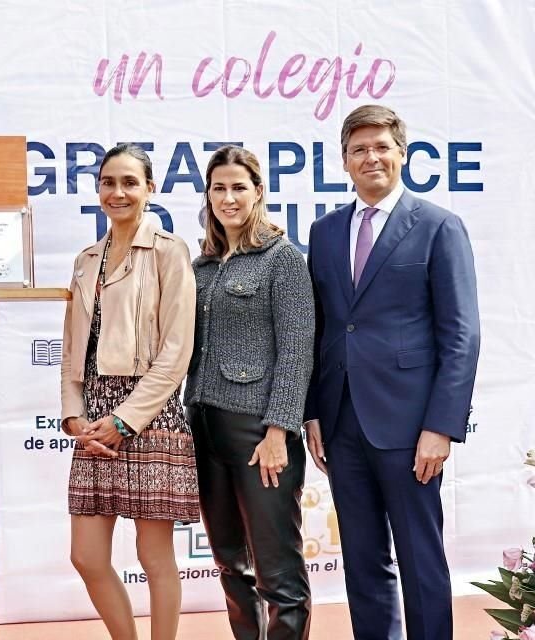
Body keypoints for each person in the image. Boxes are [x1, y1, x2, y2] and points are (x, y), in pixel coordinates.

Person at [304, 104, 481, 640]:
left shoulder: (438, 227)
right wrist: (313, 412)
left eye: (381, 146)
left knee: (420, 558)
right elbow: (320, 328)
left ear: (402, 154)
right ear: (344, 161)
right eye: (359, 149)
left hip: (410, 427)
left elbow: (462, 334)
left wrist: (441, 426)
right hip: (342, 421)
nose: (371, 157)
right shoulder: (326, 231)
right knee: (362, 561)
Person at [60, 143, 199, 640]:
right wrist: (74, 417)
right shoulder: (85, 260)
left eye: (129, 182)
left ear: (150, 189)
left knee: (153, 555)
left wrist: (125, 420)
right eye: (108, 182)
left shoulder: (169, 251)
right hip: (93, 417)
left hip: (151, 415)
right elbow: (72, 349)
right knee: (87, 556)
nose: (117, 192)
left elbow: (177, 350)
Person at [183, 145, 315, 640]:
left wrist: (279, 430)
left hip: (258, 434)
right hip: (204, 427)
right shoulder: (203, 266)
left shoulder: (283, 260)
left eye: (239, 187)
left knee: (277, 571)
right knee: (229, 564)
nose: (228, 197)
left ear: (259, 191)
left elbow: (298, 350)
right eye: (218, 188)